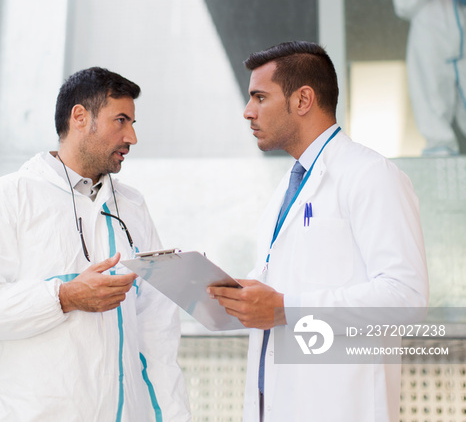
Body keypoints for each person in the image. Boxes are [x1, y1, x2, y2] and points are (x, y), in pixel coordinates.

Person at [209, 42, 428, 422]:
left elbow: (405, 298)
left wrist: (283, 308)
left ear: (303, 99)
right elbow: (288, 291)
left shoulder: (371, 175)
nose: (248, 112)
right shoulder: (287, 189)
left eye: (260, 97)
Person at [0, 67, 191, 422]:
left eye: (133, 123)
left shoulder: (132, 205)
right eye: (120, 120)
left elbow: (158, 331)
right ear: (79, 117)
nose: (131, 137)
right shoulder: (11, 197)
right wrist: (64, 297)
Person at [392, 0, 466, 156]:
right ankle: (440, 145)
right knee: (432, 94)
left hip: (462, 44)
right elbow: (402, 5)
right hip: (430, 42)